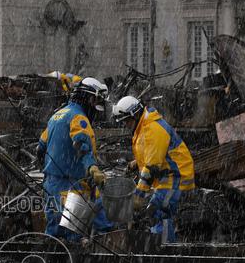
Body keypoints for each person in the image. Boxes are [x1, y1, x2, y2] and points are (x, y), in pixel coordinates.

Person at [37, 77, 111, 239]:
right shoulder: (78, 117)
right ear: (89, 97)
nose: (96, 106)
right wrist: (92, 168)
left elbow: (41, 145)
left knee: (55, 231)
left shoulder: (58, 114)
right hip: (71, 184)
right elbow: (81, 146)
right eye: (96, 100)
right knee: (73, 231)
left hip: (52, 183)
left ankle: (50, 261)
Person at [113, 96, 195, 242]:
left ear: (135, 114)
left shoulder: (153, 129)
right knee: (156, 211)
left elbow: (151, 166)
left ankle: (164, 251)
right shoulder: (143, 125)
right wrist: (135, 163)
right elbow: (152, 152)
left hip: (176, 175)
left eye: (126, 120)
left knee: (157, 211)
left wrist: (138, 195)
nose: (125, 124)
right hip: (165, 174)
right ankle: (161, 246)